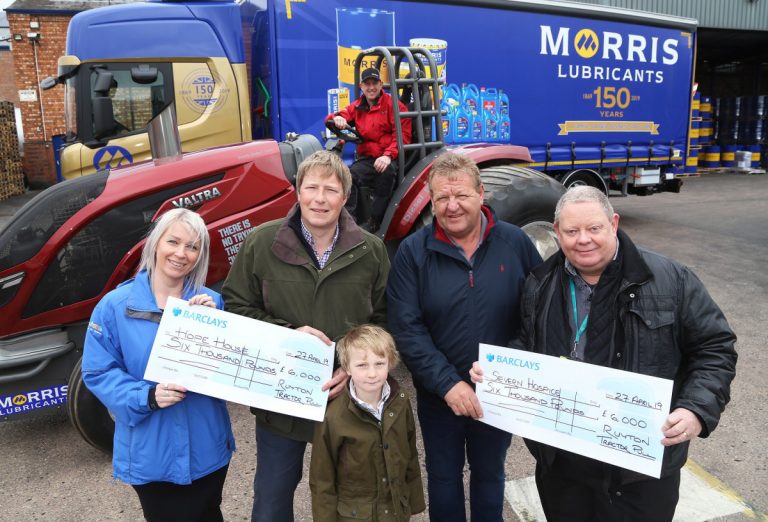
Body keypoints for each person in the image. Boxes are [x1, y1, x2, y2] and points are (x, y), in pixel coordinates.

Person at [471, 185, 737, 521]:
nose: (583, 239)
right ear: (557, 232)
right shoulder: (539, 283)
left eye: (594, 228)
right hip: (562, 467)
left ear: (614, 224)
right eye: (572, 231)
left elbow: (714, 349)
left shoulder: (672, 280)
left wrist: (696, 409)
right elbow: (527, 341)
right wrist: (499, 374)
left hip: (637, 471)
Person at [222, 150, 390, 522]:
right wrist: (288, 336)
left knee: (352, 499)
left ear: (345, 197)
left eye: (331, 190)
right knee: (272, 499)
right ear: (298, 192)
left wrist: (353, 366)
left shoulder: (371, 251)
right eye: (311, 188)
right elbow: (235, 306)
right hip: (282, 400)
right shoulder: (262, 243)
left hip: (347, 399)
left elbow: (383, 321)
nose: (320, 199)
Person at [387, 152, 542, 521]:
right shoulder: (413, 252)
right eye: (442, 197)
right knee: (443, 477)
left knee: (490, 474)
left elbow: (538, 314)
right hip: (440, 396)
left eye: (461, 195)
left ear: (481, 193)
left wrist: (506, 369)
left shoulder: (515, 243)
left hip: (497, 392)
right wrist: (448, 384)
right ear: (431, 201)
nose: (452, 205)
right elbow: (406, 326)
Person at [82, 208, 235, 522]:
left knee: (209, 515)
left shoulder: (211, 303)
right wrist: (146, 396)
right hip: (152, 454)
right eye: (173, 242)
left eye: (192, 247)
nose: (181, 253)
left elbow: (229, 370)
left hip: (207, 447)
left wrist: (214, 326)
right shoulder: (114, 307)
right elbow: (98, 372)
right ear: (155, 244)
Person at [309, 324, 426, 521]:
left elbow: (410, 453)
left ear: (390, 363)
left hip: (395, 512)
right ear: (347, 367)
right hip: (355, 516)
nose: (372, 373)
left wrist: (414, 501)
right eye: (362, 365)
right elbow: (322, 478)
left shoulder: (401, 402)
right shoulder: (333, 416)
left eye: (379, 363)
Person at [326, 66, 412, 229]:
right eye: (367, 84)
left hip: (390, 157)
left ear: (381, 85)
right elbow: (333, 118)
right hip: (367, 158)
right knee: (348, 176)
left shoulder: (394, 106)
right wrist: (338, 118)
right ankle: (349, 224)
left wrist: (387, 155)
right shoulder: (358, 106)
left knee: (385, 173)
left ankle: (375, 221)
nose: (371, 87)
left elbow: (403, 137)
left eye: (374, 83)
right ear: (361, 86)